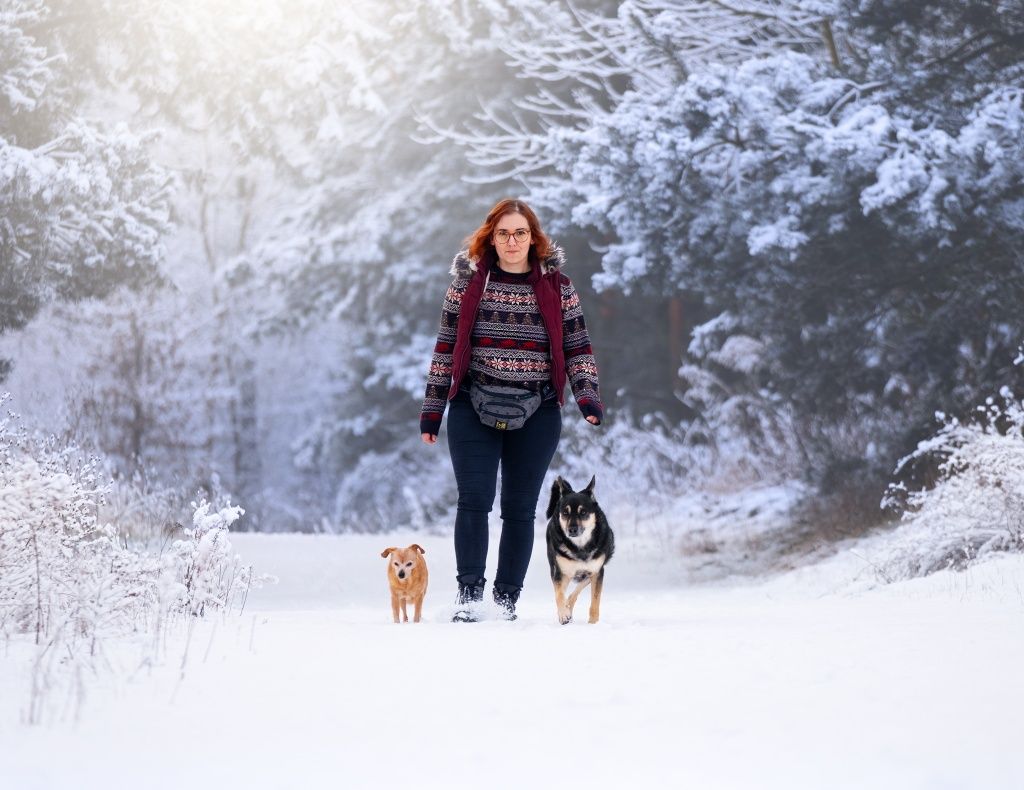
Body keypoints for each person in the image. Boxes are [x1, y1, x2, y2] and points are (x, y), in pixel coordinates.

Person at [420, 198, 603, 622]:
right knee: (474, 500)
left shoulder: (559, 287)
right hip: (472, 403)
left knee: (520, 508)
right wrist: (432, 411)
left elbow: (578, 347)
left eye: (520, 232)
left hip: (537, 409)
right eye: (503, 233)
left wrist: (587, 397)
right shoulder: (468, 285)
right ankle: (469, 596)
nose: (512, 241)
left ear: (533, 237)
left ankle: (506, 600)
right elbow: (445, 349)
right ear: (491, 237)